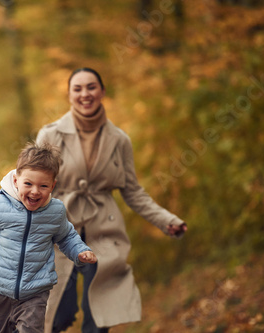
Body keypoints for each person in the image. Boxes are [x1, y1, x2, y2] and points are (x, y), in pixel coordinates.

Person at [36, 67, 188, 333]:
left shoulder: (119, 140)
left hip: (103, 233)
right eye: (78, 88)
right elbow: (32, 185)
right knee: (56, 314)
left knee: (99, 318)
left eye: (91, 87)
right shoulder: (50, 135)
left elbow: (133, 191)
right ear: (69, 95)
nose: (85, 94)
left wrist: (167, 221)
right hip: (59, 232)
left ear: (102, 92)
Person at [0, 142, 98, 333]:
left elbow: (67, 237)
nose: (35, 191)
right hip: (0, 291)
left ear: (53, 186)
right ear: (16, 180)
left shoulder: (55, 212)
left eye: (43, 185)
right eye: (28, 184)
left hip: (36, 292)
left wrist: (81, 251)